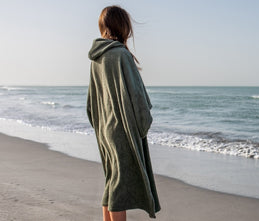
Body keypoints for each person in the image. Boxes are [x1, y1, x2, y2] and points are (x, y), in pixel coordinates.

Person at [87, 5, 161, 221]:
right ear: (124, 27)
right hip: (122, 131)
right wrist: (142, 125)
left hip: (105, 130)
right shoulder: (121, 55)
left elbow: (91, 103)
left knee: (112, 181)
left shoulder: (96, 59)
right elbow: (139, 100)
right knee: (119, 188)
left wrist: (101, 127)